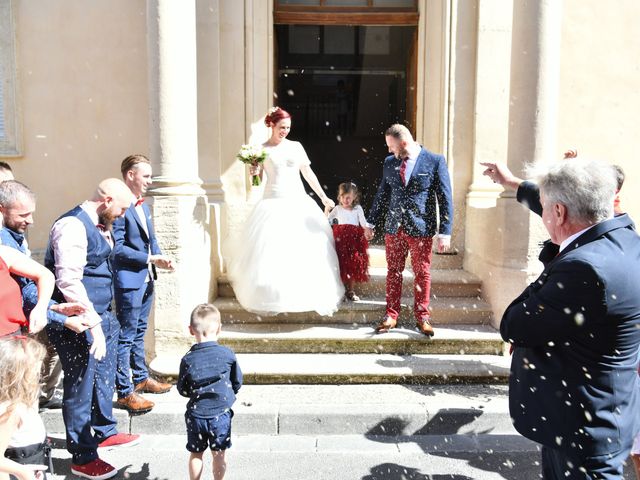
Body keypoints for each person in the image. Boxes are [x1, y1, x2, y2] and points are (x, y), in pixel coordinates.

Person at [500, 160, 640, 479]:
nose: (544, 214)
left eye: (547, 207)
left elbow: (514, 324)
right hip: (604, 413)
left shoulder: (582, 267)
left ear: (560, 213)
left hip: (581, 426)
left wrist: (559, 252)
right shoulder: (628, 242)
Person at [44, 178, 139, 480]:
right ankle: (82, 456)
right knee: (81, 384)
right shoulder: (71, 225)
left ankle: (103, 432)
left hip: (102, 314)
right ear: (107, 200)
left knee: (102, 378)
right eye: (122, 209)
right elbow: (68, 281)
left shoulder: (101, 223)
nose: (123, 215)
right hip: (79, 320)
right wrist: (93, 325)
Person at [225, 107, 344, 315]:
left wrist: (323, 196)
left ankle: (304, 293)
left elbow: (308, 173)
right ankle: (273, 296)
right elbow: (257, 182)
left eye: (288, 127)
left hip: (298, 200)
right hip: (272, 201)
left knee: (302, 249)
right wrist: (253, 171)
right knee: (272, 251)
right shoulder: (261, 150)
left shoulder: (296, 146)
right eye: (282, 127)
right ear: (271, 125)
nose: (285, 131)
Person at [366, 123, 453, 336]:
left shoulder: (435, 161)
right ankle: (391, 315)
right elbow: (382, 194)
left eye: (391, 146)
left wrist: (445, 232)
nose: (389, 151)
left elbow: (444, 197)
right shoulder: (389, 162)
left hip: (421, 228)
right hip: (393, 227)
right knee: (393, 272)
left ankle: (422, 318)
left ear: (403, 142)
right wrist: (370, 222)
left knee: (422, 274)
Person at [112, 155, 174, 415]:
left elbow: (151, 239)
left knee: (139, 331)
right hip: (129, 280)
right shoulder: (119, 206)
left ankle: (140, 377)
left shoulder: (143, 206)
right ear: (130, 176)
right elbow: (116, 249)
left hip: (147, 276)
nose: (150, 181)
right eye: (146, 176)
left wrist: (160, 258)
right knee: (125, 336)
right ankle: (124, 391)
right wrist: (149, 258)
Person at [0, 181, 66, 410]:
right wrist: (62, 317)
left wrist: (44, 308)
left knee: (14, 404)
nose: (30, 221)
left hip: (12, 342)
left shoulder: (5, 248)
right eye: (24, 214)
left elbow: (42, 277)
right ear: (1, 210)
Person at [177, 304, 242, 480]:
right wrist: (225, 396)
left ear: (191, 330)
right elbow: (237, 382)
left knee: (196, 454)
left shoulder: (188, 359)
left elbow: (182, 388)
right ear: (219, 328)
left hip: (196, 415)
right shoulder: (227, 354)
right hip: (220, 415)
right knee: (219, 455)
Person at [0, 336, 48, 480]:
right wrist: (23, 473)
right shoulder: (10, 411)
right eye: (36, 369)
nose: (40, 373)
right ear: (19, 374)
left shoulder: (23, 402)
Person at [325, 182, 370, 301]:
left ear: (354, 196)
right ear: (339, 197)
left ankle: (350, 290)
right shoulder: (337, 209)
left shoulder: (357, 209)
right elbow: (327, 221)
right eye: (342, 197)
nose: (345, 200)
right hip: (340, 241)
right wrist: (326, 209)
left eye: (348, 197)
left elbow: (364, 223)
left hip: (354, 241)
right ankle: (340, 291)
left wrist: (368, 229)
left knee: (352, 265)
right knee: (340, 264)